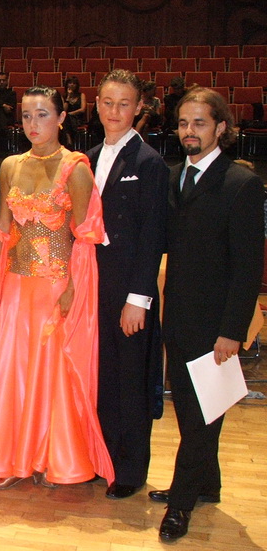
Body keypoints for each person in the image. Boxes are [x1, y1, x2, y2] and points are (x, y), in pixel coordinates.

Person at [0, 87, 115, 490]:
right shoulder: (11, 165)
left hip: (55, 286)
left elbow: (85, 237)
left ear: (61, 118)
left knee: (49, 373)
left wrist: (73, 289)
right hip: (15, 284)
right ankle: (9, 457)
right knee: (11, 370)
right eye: (27, 116)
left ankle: (48, 458)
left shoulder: (76, 168)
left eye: (43, 114)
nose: (33, 123)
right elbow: (3, 228)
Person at [151, 88, 263, 542]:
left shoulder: (241, 183)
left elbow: (248, 267)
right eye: (183, 123)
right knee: (193, 411)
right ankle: (206, 484)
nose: (189, 131)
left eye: (199, 123)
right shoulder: (173, 177)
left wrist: (232, 331)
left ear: (221, 127)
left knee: (201, 418)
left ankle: (180, 504)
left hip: (216, 326)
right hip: (178, 318)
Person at [87, 70, 169, 499]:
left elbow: (153, 235)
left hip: (129, 293)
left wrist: (139, 299)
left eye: (123, 104)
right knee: (100, 377)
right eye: (107, 102)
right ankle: (102, 460)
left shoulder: (149, 163)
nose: (114, 111)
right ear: (96, 105)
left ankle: (130, 471)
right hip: (92, 288)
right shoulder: (87, 157)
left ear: (139, 108)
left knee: (130, 381)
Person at [62, 76, 86, 148]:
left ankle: (69, 140)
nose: (72, 85)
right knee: (65, 118)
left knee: (66, 117)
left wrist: (71, 113)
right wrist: (68, 97)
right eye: (70, 83)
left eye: (74, 83)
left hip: (78, 119)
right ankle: (69, 139)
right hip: (67, 120)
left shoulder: (81, 95)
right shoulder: (64, 96)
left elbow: (82, 109)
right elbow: (64, 110)